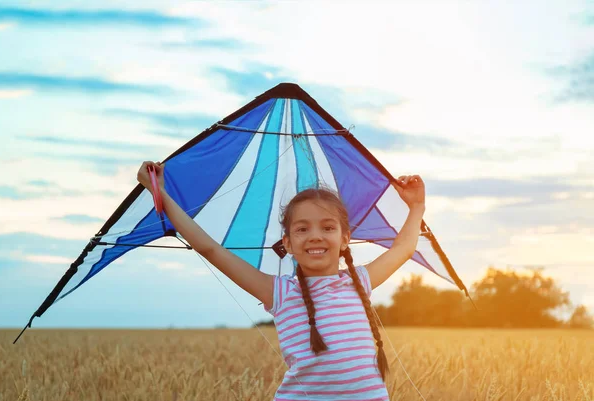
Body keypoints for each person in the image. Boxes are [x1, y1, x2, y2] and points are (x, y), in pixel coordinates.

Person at [137, 161, 426, 401]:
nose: (315, 235)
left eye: (328, 227)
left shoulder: (359, 281)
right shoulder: (279, 291)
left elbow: (403, 248)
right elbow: (210, 248)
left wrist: (416, 207)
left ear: (344, 239)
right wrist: (158, 191)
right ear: (287, 243)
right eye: (302, 229)